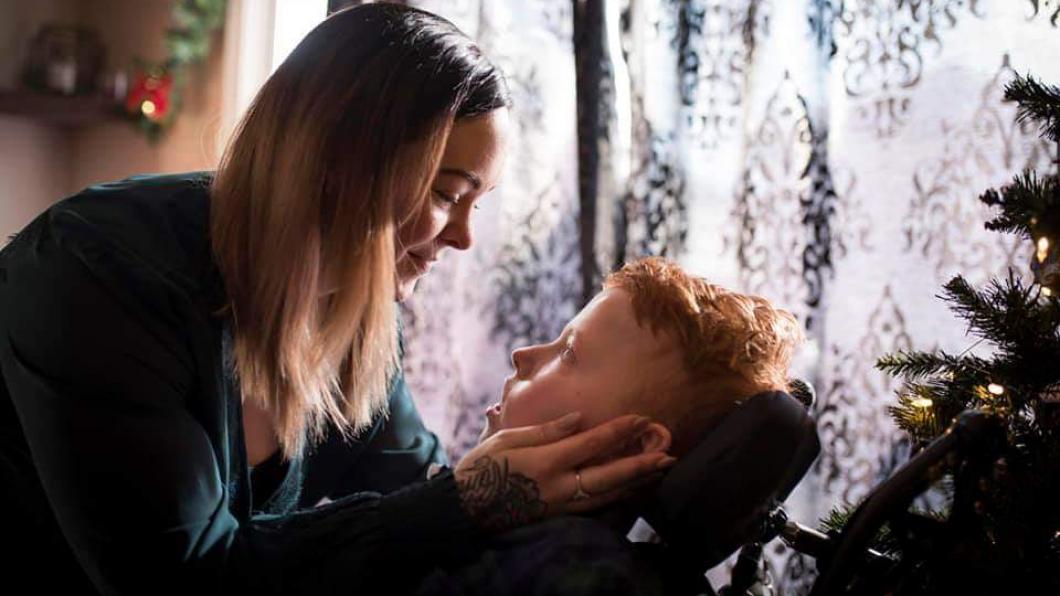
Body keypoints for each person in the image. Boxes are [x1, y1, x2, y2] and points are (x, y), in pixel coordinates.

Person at [0, 4, 673, 595]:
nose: (464, 238)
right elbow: (182, 580)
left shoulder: (356, 325)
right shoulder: (98, 278)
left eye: (477, 204)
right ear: (343, 162)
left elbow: (422, 496)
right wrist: (462, 506)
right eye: (448, 194)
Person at [417, 256, 804, 594]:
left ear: (635, 445)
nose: (523, 355)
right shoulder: (532, 546)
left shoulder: (573, 571)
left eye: (568, 353)